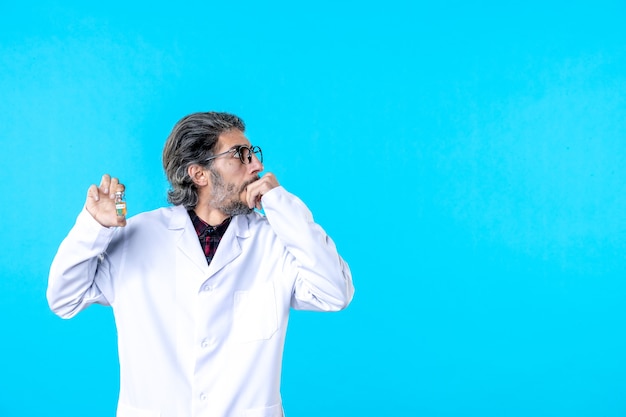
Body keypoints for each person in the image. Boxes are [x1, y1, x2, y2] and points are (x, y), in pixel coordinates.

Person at [47, 111, 354, 417]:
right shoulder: (137, 237)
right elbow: (64, 299)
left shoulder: (275, 241)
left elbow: (335, 292)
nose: (257, 166)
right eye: (240, 155)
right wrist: (93, 228)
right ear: (199, 174)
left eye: (253, 154)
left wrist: (281, 205)